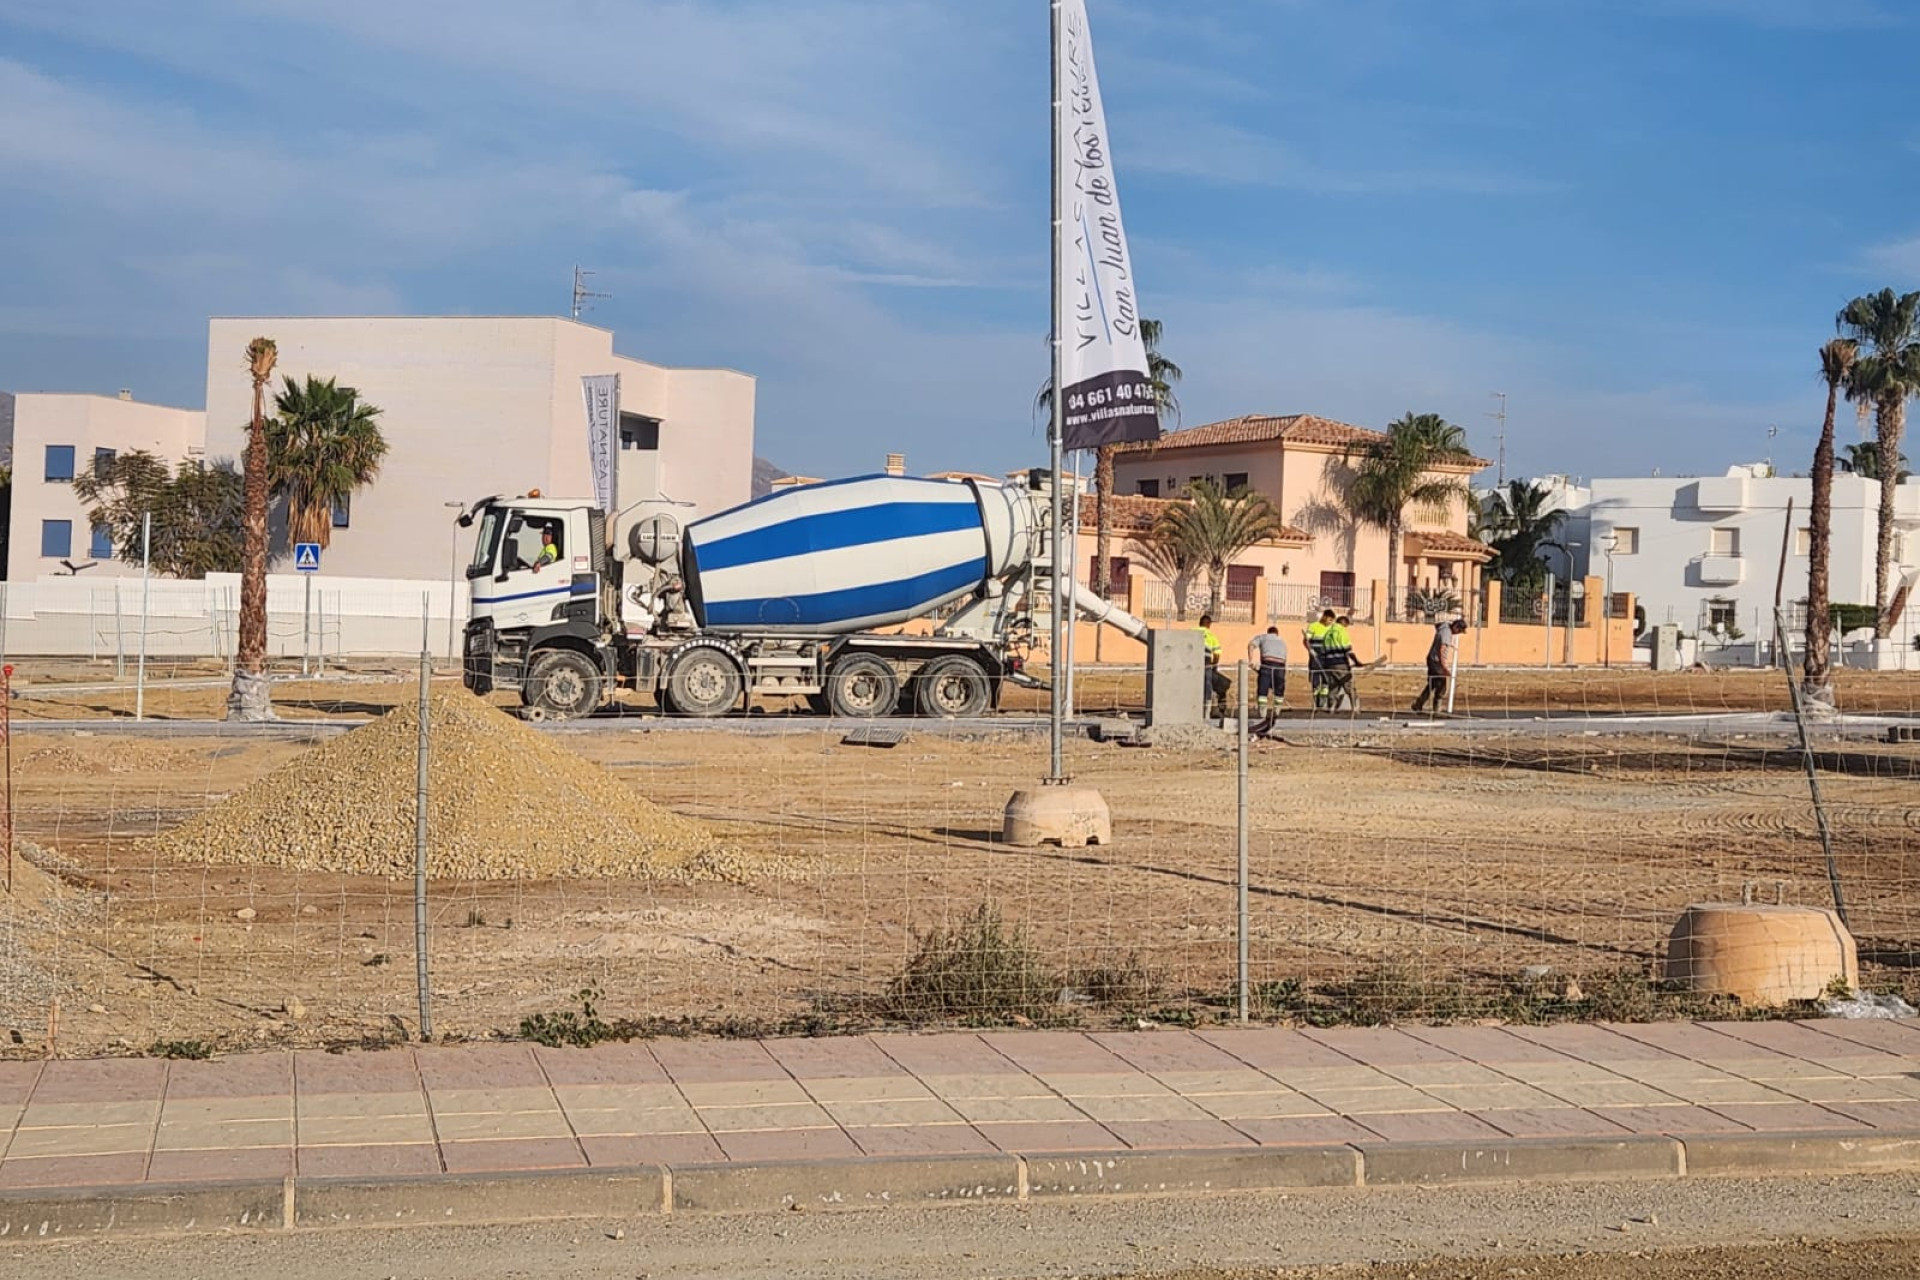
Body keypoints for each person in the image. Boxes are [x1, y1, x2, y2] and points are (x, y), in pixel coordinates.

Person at [1412, 616, 1469, 714]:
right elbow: (1442, 650)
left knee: (1432, 684)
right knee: (1442, 684)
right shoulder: (1446, 633)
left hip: (1432, 659)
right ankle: (1436, 708)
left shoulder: (1444, 628)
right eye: (1459, 631)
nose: (1458, 634)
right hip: (1436, 661)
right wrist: (1444, 667)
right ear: (1456, 627)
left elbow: (1438, 631)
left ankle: (1418, 704)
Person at [1248, 625, 1288, 735]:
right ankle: (1277, 711)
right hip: (1280, 665)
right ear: (1277, 633)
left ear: (1268, 632)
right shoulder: (1282, 641)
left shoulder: (1263, 637)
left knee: (1263, 689)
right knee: (1279, 690)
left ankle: (1262, 713)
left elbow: (1251, 644)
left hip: (1267, 663)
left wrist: (1251, 660)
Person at [1198, 613, 1230, 716]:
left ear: (1199, 623)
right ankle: (1207, 711)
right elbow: (1216, 654)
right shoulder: (1211, 636)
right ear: (1209, 624)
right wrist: (1214, 666)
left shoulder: (1191, 631)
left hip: (1192, 661)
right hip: (1207, 663)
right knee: (1208, 684)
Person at [1304, 609, 1335, 709]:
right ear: (1325, 617)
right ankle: (1316, 698)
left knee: (1327, 678)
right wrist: (1310, 650)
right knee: (1315, 677)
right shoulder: (1313, 626)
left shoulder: (1332, 629)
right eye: (1329, 620)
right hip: (1315, 657)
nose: (1330, 622)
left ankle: (1323, 698)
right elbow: (1306, 641)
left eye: (1332, 621)